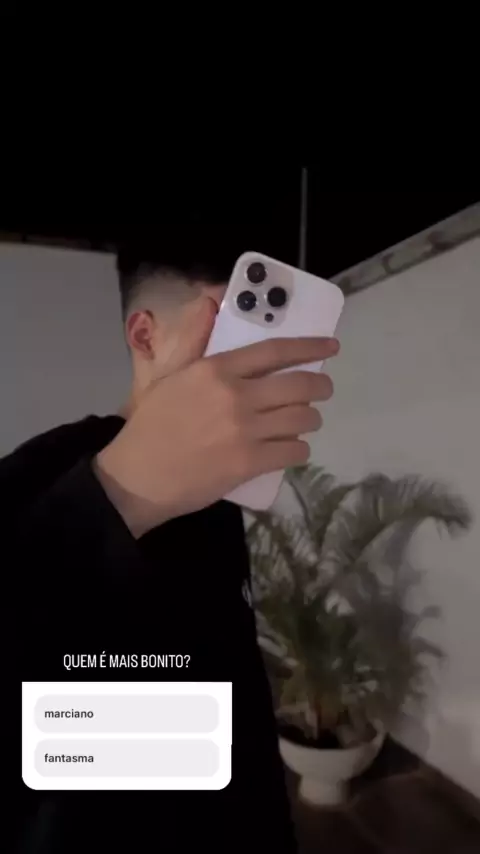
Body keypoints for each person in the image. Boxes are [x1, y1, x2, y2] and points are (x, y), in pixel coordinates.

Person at [8, 241, 339, 853]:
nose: (248, 361)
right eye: (229, 328)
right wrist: (118, 494)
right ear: (145, 336)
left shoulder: (218, 496)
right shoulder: (38, 474)